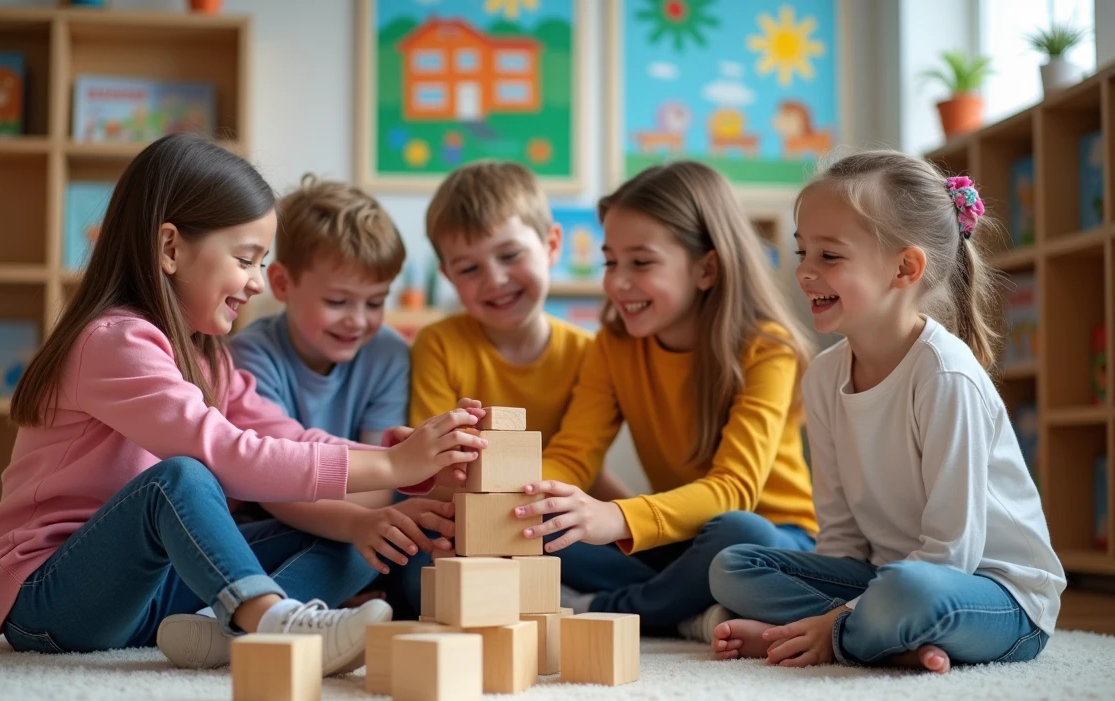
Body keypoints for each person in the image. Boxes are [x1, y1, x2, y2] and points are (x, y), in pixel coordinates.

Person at [0, 134, 485, 677]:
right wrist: (386, 467)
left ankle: (223, 629)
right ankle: (273, 623)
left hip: (150, 592)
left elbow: (286, 438)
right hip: (51, 600)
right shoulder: (113, 342)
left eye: (262, 263)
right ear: (170, 249)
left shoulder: (209, 359)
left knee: (358, 534)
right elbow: (224, 454)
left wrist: (402, 459)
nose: (257, 283)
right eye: (246, 260)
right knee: (181, 479)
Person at [709, 151, 1065, 672]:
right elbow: (841, 541)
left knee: (909, 589)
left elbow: (953, 554)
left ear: (905, 268)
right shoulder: (824, 377)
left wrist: (837, 620)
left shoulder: (945, 375)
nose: (804, 272)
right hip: (885, 581)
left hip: (998, 596)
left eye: (829, 257)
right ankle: (880, 639)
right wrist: (854, 603)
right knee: (733, 566)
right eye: (802, 250)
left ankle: (841, 634)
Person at [514, 161, 818, 641]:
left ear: (706, 268)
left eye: (641, 262)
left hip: (774, 542)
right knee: (534, 533)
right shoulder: (613, 347)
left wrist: (613, 516)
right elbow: (574, 453)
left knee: (739, 533)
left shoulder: (767, 348)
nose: (618, 281)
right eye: (611, 260)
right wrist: (519, 502)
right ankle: (681, 608)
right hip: (678, 540)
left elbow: (733, 490)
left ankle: (609, 607)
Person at [407, 160, 634, 611]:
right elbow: (430, 472)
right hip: (465, 517)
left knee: (632, 555)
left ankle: (577, 594)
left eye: (510, 256)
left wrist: (634, 518)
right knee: (417, 576)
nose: (495, 279)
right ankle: (569, 596)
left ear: (551, 245)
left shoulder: (590, 352)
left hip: (545, 518)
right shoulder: (438, 344)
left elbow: (584, 465)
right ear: (448, 276)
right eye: (469, 269)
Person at [227, 176, 453, 622]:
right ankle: (237, 617)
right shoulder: (248, 355)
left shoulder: (388, 353)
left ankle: (319, 605)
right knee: (356, 546)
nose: (357, 320)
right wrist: (359, 520)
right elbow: (270, 486)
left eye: (375, 302)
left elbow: (383, 486)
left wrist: (374, 517)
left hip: (355, 522)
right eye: (338, 301)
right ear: (282, 283)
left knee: (409, 553)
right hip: (268, 525)